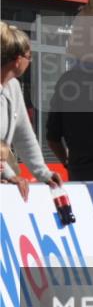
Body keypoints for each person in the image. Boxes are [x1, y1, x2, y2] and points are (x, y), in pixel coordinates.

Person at [1, 22, 62, 199]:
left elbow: (24, 135)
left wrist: (43, 173)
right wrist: (9, 174)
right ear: (17, 60)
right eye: (29, 57)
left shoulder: (13, 87)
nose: (30, 61)